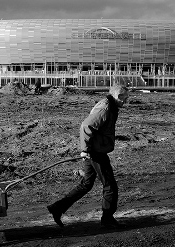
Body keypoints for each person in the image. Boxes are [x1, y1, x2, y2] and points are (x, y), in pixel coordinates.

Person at [47, 84, 130, 229]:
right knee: (110, 186)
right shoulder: (105, 108)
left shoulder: (109, 105)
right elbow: (86, 126)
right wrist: (85, 150)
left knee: (86, 184)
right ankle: (107, 220)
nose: (126, 100)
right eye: (124, 97)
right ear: (117, 96)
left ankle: (57, 208)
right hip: (95, 152)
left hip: (95, 150)